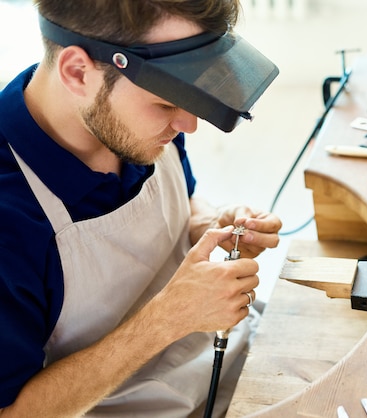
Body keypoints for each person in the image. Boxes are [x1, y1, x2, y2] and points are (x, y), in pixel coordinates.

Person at [0, 0, 282, 416]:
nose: (189, 124)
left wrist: (207, 223)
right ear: (78, 72)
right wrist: (165, 320)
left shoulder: (124, 118)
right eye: (168, 103)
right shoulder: (11, 218)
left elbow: (180, 200)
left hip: (241, 361)